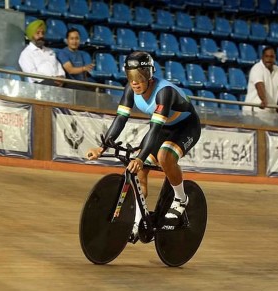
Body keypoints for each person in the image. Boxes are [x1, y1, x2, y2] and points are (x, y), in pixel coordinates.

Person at [86, 51, 201, 243]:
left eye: (140, 77)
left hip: (185, 127)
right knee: (140, 172)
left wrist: (140, 158)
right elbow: (120, 119)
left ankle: (181, 198)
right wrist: (102, 148)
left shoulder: (164, 92)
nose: (135, 82)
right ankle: (139, 221)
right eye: (131, 77)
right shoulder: (130, 90)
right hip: (163, 127)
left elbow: (154, 130)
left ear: (149, 75)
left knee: (164, 156)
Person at [18, 19, 65, 86]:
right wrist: (52, 79)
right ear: (31, 36)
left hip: (58, 81)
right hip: (40, 84)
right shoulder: (26, 54)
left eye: (42, 33)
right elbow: (32, 74)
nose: (41, 36)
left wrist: (62, 76)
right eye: (38, 33)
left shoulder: (50, 51)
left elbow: (58, 66)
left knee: (80, 87)